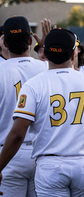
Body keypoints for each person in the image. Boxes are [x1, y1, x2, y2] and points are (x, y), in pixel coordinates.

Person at [0, 25, 84, 197]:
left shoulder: (34, 84)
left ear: (44, 52)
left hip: (50, 165)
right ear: (74, 54)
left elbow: (18, 134)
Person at [0, 16, 48, 197]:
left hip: (7, 153)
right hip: (42, 154)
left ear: (4, 42)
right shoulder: (46, 69)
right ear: (30, 40)